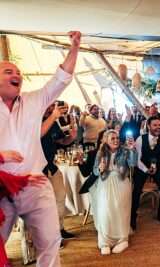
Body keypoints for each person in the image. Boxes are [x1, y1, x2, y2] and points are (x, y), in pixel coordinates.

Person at [0, 30, 81, 267]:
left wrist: (74, 47)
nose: (17, 74)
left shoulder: (34, 100)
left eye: (18, 72)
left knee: (50, 243)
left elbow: (61, 78)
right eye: (8, 71)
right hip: (1, 188)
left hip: (35, 182)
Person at [90, 130, 137, 254]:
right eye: (113, 139)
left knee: (120, 211)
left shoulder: (125, 150)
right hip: (105, 182)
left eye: (117, 138)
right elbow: (95, 171)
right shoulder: (100, 153)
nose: (116, 140)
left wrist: (132, 150)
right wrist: (100, 169)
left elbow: (133, 164)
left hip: (121, 182)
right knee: (105, 212)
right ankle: (105, 241)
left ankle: (122, 240)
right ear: (106, 140)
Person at [41, 102, 79, 242]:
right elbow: (38, 135)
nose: (51, 109)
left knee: (61, 198)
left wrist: (72, 137)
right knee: (43, 204)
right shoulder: (33, 120)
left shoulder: (54, 123)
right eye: (49, 106)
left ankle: (59, 229)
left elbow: (61, 141)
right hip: (38, 170)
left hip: (52, 167)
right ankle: (48, 236)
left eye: (52, 107)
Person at [132, 117, 160, 228]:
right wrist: (146, 170)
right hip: (142, 166)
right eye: (155, 125)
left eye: (159, 125)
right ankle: (132, 217)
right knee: (136, 190)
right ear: (149, 126)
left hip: (157, 166)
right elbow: (137, 159)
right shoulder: (140, 139)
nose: (158, 127)